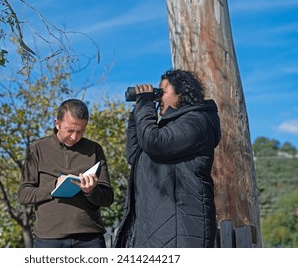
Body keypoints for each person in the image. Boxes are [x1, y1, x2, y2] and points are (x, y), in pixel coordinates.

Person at [114, 69, 221, 248]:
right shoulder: (168, 127)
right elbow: (135, 156)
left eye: (162, 92)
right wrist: (137, 112)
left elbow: (154, 143)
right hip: (157, 225)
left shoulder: (197, 121)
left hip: (181, 227)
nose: (157, 96)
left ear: (181, 94)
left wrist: (146, 103)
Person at [18, 99, 114, 248]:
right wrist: (54, 186)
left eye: (81, 131)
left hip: (90, 239)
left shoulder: (95, 150)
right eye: (70, 130)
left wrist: (91, 191)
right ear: (57, 124)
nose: (75, 137)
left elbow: (108, 198)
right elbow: (24, 195)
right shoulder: (37, 149)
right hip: (49, 239)